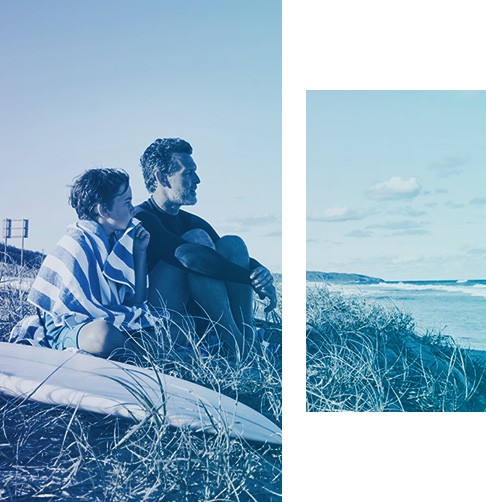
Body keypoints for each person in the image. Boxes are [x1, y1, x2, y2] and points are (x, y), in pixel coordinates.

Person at [134, 138, 277, 357]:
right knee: (197, 242)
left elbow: (228, 260)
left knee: (232, 243)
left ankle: (247, 339)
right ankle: (238, 346)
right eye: (188, 173)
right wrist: (249, 277)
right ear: (162, 178)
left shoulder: (191, 220)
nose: (198, 180)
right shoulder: (141, 217)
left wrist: (260, 274)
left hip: (192, 312)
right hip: (157, 317)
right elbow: (191, 258)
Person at [11, 168, 157, 358]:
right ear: (103, 210)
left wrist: (140, 251)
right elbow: (73, 316)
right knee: (103, 335)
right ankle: (149, 356)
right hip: (69, 330)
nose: (132, 208)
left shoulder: (120, 242)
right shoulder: (74, 244)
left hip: (113, 322)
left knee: (168, 328)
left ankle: (140, 352)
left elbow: (136, 301)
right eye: (127, 202)